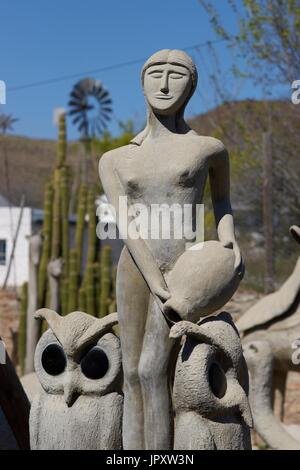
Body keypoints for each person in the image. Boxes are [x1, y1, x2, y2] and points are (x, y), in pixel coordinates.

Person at [99, 49, 243, 450]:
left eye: (176, 74)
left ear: (191, 85)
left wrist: (229, 244)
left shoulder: (208, 149)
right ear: (142, 83)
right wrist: (152, 277)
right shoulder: (114, 159)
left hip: (184, 267)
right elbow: (126, 226)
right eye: (154, 74)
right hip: (134, 268)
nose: (163, 84)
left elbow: (223, 204)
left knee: (154, 369)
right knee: (130, 372)